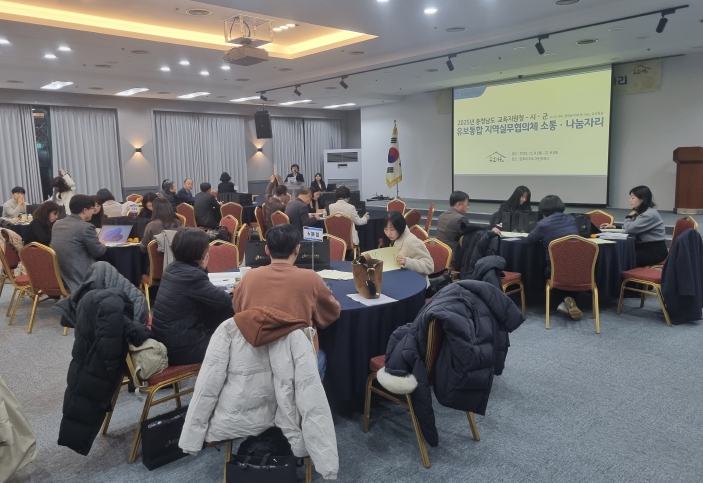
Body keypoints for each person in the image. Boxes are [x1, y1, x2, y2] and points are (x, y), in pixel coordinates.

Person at [234, 224, 341, 379]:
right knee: (322, 357)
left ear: (267, 250)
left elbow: (238, 311)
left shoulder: (248, 277)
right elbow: (331, 313)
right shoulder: (311, 278)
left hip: (257, 357)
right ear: (297, 249)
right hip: (298, 359)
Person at [151, 228, 234, 365]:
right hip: (182, 348)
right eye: (207, 248)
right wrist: (203, 268)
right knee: (234, 334)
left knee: (219, 315)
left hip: (166, 339)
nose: (208, 251)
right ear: (199, 252)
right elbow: (224, 301)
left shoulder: (171, 268)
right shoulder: (192, 276)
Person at [526, 195, 581, 320]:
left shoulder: (543, 224)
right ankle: (570, 300)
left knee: (546, 268)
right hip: (579, 268)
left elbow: (531, 239)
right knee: (566, 269)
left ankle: (563, 301)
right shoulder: (572, 219)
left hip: (556, 270)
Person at [51, 195, 107, 292]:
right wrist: (102, 243)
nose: (93, 212)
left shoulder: (57, 224)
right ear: (85, 210)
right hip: (81, 275)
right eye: (92, 209)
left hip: (60, 274)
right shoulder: (85, 227)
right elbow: (98, 252)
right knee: (113, 272)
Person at [600, 185, 667, 267]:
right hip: (643, 247)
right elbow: (634, 227)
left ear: (642, 199)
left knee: (621, 258)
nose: (630, 200)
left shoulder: (649, 214)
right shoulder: (642, 211)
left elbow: (630, 229)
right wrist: (615, 227)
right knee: (616, 253)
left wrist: (628, 216)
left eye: (633, 198)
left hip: (654, 251)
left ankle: (618, 275)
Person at [381, 210, 435, 287]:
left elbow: (429, 266)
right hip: (400, 280)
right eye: (385, 229)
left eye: (392, 229)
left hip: (415, 285)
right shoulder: (393, 239)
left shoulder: (411, 242)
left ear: (400, 227)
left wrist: (407, 262)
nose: (388, 233)